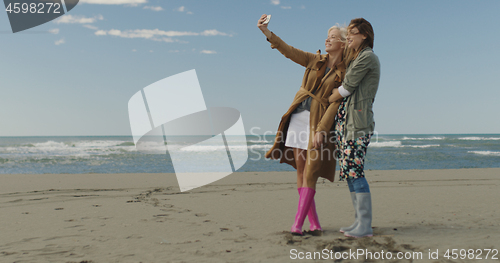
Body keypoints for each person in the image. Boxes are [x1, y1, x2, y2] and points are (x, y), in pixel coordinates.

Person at [257, 14, 347, 236]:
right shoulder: (314, 60)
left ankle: (297, 224)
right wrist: (267, 32)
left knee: (311, 171)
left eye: (333, 37)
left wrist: (322, 130)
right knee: (300, 170)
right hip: (297, 117)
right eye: (327, 36)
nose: (327, 40)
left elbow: (335, 105)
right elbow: (289, 51)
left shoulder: (345, 73)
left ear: (343, 44)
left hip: (318, 122)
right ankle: (314, 223)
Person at [328, 18, 381, 238]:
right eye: (347, 33)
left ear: (365, 35)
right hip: (347, 123)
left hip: (357, 124)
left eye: (352, 32)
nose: (348, 36)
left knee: (355, 172)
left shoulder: (368, 57)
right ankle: (359, 221)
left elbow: (347, 87)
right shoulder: (357, 56)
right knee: (349, 173)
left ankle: (365, 225)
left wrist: (332, 96)